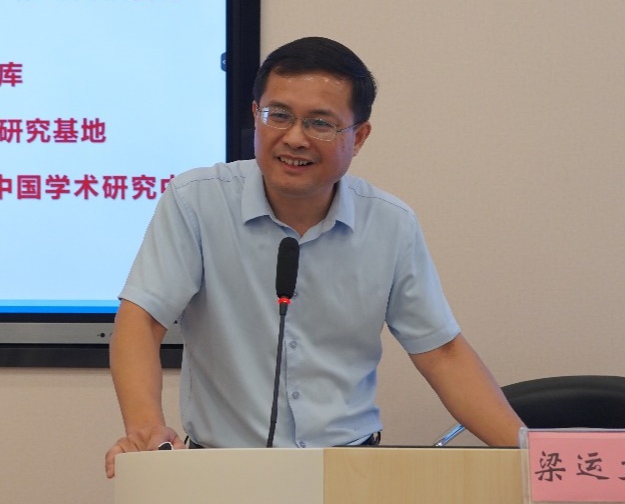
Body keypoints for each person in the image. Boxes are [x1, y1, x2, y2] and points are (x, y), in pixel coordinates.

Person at [104, 36, 522, 478]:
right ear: (255, 115)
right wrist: (146, 428)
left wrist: (536, 458)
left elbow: (442, 354)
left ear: (359, 137)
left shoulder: (390, 224)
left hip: (350, 470)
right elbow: (142, 320)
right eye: (279, 116)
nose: (294, 138)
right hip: (223, 468)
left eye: (320, 123)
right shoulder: (196, 201)